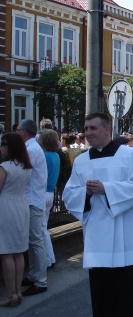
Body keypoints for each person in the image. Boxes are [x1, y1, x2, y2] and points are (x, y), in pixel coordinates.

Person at [62, 112, 133, 317]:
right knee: (102, 290)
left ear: (106, 130)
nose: (88, 133)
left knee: (129, 292)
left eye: (93, 128)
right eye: (86, 129)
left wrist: (107, 189)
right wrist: (85, 192)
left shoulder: (128, 155)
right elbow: (69, 194)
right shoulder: (81, 160)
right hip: (97, 235)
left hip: (126, 234)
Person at [0, 133, 32, 307]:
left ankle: (11, 294)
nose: (1, 147)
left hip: (6, 207)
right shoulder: (26, 166)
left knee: (6, 253)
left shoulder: (5, 166)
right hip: (21, 205)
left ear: (10, 146)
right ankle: (18, 291)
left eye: (3, 144)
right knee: (19, 251)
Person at [17, 119, 49, 297]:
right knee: (33, 240)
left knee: (36, 240)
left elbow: (22, 174)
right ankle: (34, 275)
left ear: (24, 132)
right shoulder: (33, 147)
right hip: (32, 199)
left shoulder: (30, 149)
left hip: (32, 200)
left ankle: (40, 281)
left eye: (18, 130)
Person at [37, 129, 61, 270]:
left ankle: (47, 259)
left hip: (42, 193)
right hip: (50, 193)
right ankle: (50, 258)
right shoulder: (56, 156)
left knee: (40, 230)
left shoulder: (44, 156)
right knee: (43, 228)